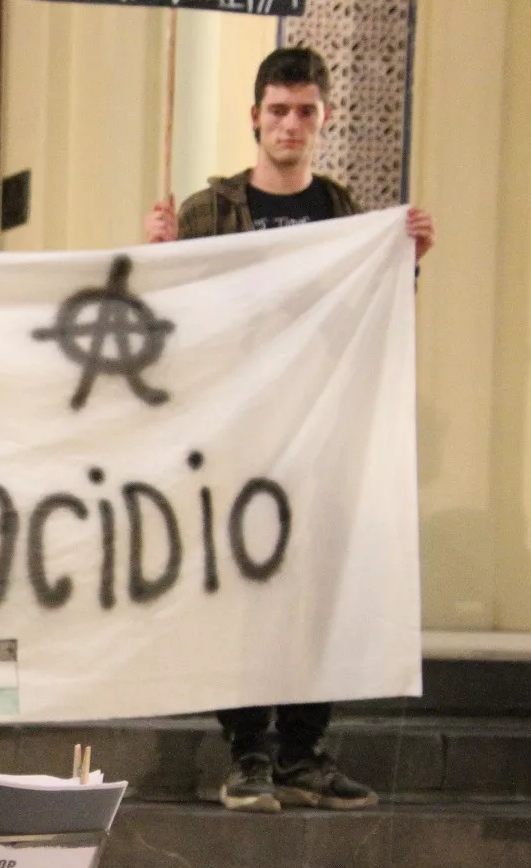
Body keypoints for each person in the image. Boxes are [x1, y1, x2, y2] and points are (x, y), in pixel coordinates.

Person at [143, 46, 437, 815]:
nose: (291, 124)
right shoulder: (211, 212)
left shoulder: (344, 215)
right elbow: (175, 320)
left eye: (306, 111)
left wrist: (407, 262)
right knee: (241, 593)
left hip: (321, 432)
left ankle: (303, 752)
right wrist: (158, 259)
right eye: (278, 110)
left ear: (324, 119)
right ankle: (248, 755)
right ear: (255, 117)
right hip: (239, 433)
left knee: (320, 591)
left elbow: (372, 316)